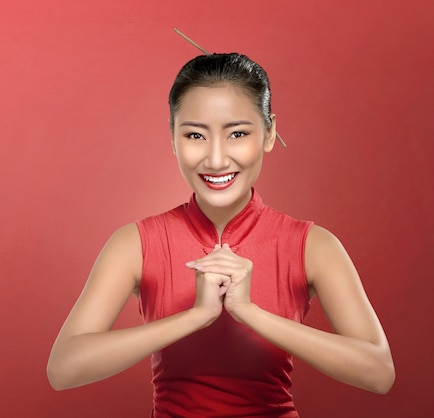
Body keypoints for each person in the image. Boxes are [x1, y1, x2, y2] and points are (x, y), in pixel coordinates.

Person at [46, 52, 395, 417]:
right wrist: (196, 316)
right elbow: (64, 368)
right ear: (172, 138)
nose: (215, 159)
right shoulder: (135, 243)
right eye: (195, 134)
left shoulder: (313, 245)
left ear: (270, 133)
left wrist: (248, 311)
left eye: (238, 134)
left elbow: (378, 372)